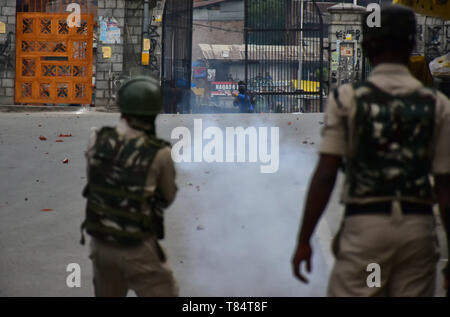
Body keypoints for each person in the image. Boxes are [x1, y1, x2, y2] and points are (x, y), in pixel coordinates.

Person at [292, 5, 450, 297]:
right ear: (411, 45)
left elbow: (326, 174)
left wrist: (304, 240)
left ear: (365, 45)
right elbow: (445, 188)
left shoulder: (348, 99)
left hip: (366, 228)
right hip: (417, 230)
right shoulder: (437, 104)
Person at [80, 77, 179, 297]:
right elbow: (168, 197)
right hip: (136, 246)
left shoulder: (97, 138)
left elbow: (94, 181)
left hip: (101, 244)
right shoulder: (160, 152)